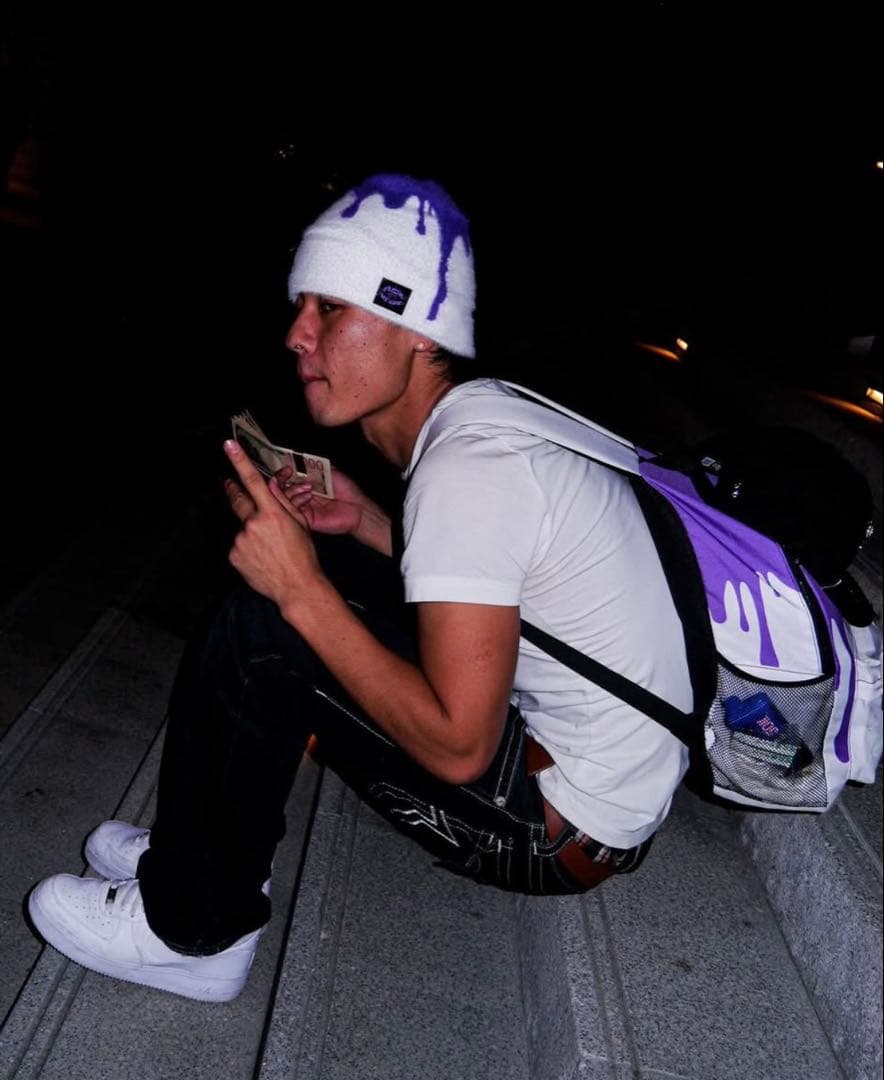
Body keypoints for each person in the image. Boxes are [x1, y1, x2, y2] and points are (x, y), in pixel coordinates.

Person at [28, 172, 693, 1002]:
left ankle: (193, 930)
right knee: (320, 579)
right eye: (301, 306)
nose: (297, 336)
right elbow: (513, 577)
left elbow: (460, 748)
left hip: (558, 827)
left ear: (417, 331)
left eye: (332, 309)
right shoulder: (489, 417)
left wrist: (300, 590)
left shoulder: (469, 470)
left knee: (272, 627)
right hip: (588, 770)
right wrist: (371, 523)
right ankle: (204, 854)